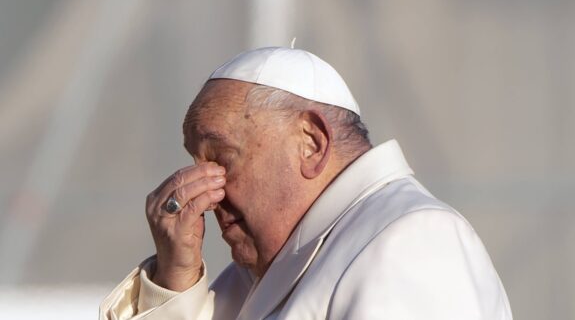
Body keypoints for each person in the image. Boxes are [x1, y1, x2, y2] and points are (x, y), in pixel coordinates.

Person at [100, 47, 512, 320]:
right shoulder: (257, 275)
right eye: (195, 162)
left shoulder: (411, 240)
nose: (206, 194)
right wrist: (175, 279)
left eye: (220, 158)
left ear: (311, 144)